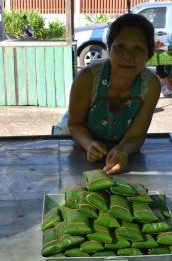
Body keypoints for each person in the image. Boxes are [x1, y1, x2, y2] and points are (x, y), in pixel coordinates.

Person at [65, 13, 160, 175]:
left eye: (138, 48)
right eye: (120, 46)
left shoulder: (151, 85)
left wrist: (122, 151)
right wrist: (90, 145)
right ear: (109, 48)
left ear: (148, 55)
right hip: (81, 147)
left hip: (125, 152)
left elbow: (137, 135)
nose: (127, 55)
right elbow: (75, 125)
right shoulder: (88, 78)